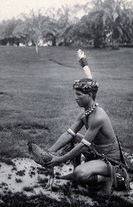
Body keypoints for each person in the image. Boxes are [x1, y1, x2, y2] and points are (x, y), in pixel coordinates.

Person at [45, 50, 121, 195]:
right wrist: (49, 152)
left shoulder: (98, 117)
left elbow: (82, 146)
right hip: (95, 150)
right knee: (73, 137)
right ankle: (76, 177)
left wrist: (58, 160)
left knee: (80, 174)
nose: (76, 98)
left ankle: (105, 179)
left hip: (109, 160)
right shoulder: (85, 112)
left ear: (90, 96)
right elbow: (69, 134)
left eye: (79, 95)